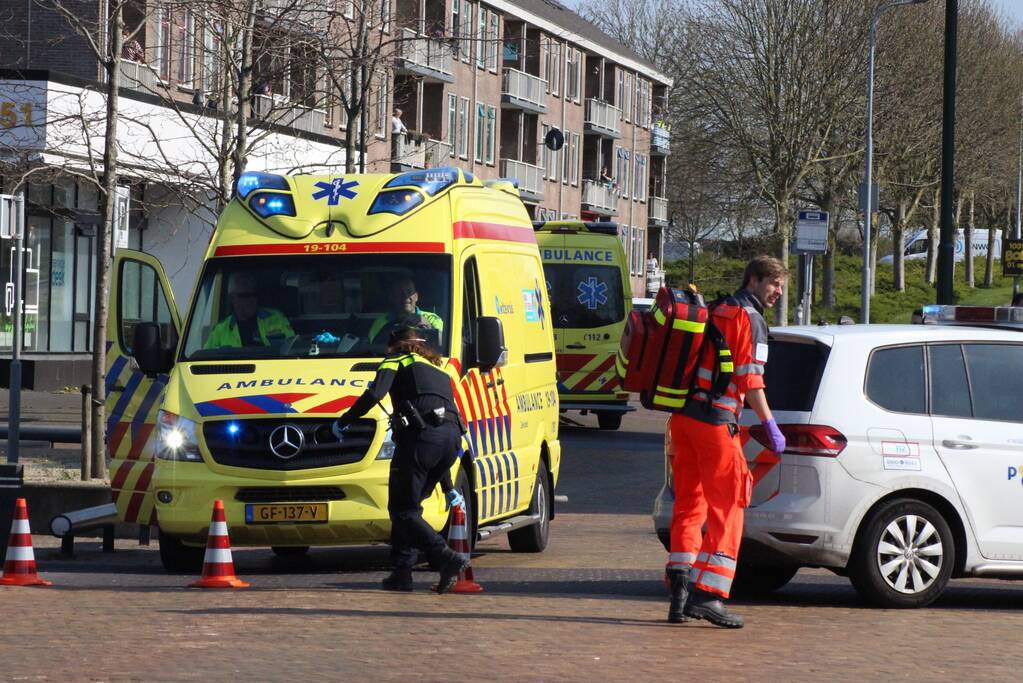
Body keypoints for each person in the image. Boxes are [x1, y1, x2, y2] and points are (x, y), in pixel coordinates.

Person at [665, 255, 788, 629]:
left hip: (683, 420)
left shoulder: (715, 308)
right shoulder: (749, 319)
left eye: (781, 287)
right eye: (773, 284)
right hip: (716, 423)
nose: (778, 293)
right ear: (753, 280)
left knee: (689, 505)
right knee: (730, 506)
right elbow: (751, 380)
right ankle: (710, 595)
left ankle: (680, 595)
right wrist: (769, 423)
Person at [332, 326, 467, 592]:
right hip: (451, 440)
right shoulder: (437, 368)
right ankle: (402, 574)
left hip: (421, 439)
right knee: (409, 508)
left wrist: (344, 421)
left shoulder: (397, 360)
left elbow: (375, 394)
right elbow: (438, 425)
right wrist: (449, 488)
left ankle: (444, 556)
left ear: (396, 344)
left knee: (402, 511)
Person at [205, 272, 294, 348]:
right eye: (245, 295)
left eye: (254, 294)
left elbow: (291, 347)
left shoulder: (275, 318)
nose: (251, 299)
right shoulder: (221, 330)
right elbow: (205, 360)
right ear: (232, 298)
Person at [368, 278, 443, 343]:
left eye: (409, 292)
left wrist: (429, 328)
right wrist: (391, 328)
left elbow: (443, 347)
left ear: (416, 296)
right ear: (392, 297)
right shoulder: (381, 322)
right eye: (399, 293)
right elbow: (372, 348)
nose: (405, 296)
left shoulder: (432, 319)